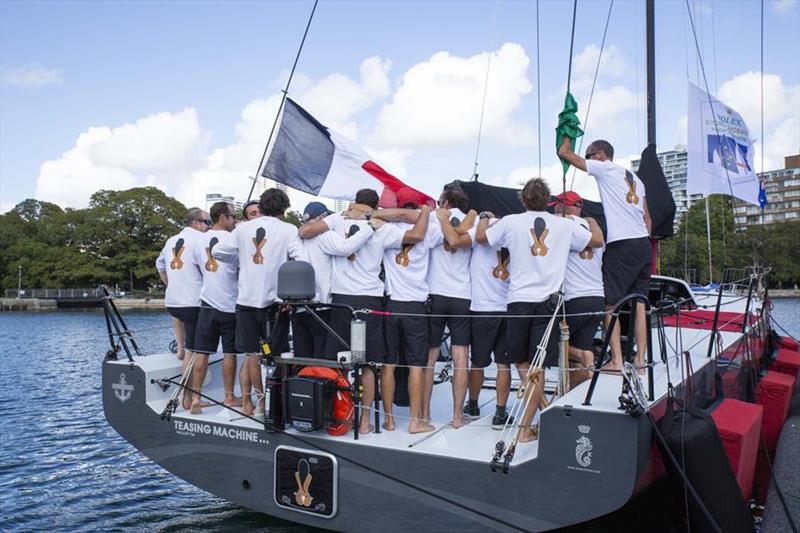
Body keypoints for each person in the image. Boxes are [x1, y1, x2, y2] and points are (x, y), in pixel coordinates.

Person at [477, 178, 599, 442]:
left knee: (523, 362)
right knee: (537, 366)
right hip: (549, 303)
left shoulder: (510, 222)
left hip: (518, 300)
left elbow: (481, 238)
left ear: (523, 200)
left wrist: (485, 217)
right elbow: (596, 241)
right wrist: (589, 221)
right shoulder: (565, 225)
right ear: (548, 200)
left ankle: (529, 423)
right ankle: (531, 422)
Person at [300, 188, 428, 434]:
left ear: (353, 202)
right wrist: (421, 210)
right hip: (369, 301)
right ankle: (364, 421)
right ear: (376, 204)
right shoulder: (381, 226)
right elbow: (418, 235)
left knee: (340, 363)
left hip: (341, 300)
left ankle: (340, 414)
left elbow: (305, 231)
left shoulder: (336, 220)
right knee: (367, 364)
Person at [558, 137, 652, 372]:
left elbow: (566, 155)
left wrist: (567, 136)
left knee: (610, 304)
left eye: (590, 156)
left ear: (600, 155)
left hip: (621, 243)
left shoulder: (606, 167)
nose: (589, 161)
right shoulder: (637, 180)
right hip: (642, 243)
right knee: (640, 303)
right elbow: (647, 218)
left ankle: (617, 361)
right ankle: (641, 360)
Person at [213, 189, 306, 418]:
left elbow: (217, 251)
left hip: (246, 301)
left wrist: (240, 258)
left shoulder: (242, 229)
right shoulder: (288, 229)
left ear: (261, 208)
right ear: (284, 210)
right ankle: (278, 402)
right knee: (278, 354)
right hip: (276, 303)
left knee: (253, 355)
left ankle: (260, 405)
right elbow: (301, 260)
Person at [372, 188, 434, 433]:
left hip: (392, 304)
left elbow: (375, 217)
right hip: (416, 306)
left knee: (389, 364)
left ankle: (389, 419)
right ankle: (415, 421)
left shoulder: (385, 230)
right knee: (416, 365)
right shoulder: (428, 228)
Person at [424, 185, 476, 429]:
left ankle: (424, 415)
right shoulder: (470, 223)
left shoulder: (436, 220)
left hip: (436, 293)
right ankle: (457, 417)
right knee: (461, 358)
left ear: (444, 202)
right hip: (462, 295)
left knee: (430, 357)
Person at [293, 201, 373, 358]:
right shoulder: (325, 235)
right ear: (323, 217)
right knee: (323, 360)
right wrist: (371, 227)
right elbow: (346, 248)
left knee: (302, 359)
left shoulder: (296, 237)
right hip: (322, 307)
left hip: (298, 307)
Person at [187, 201, 240, 414]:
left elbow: (197, 268)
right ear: (223, 218)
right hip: (230, 303)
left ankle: (196, 399)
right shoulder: (234, 238)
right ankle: (229, 396)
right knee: (230, 353)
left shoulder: (199, 241)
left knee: (202, 352)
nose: (235, 220)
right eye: (233, 216)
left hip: (207, 302)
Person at [460, 213, 512, 429]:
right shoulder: (512, 233)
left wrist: (482, 217)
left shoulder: (481, 231)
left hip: (482, 308)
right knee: (504, 364)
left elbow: (460, 240)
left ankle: (473, 405)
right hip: (507, 307)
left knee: (477, 362)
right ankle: (500, 414)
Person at [551, 191, 606, 387]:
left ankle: (585, 354)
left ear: (562, 206)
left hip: (575, 299)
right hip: (597, 298)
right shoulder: (593, 228)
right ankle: (565, 396)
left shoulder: (563, 226)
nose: (555, 208)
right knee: (575, 363)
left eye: (557, 204)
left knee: (548, 343)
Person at [156, 207, 210, 395]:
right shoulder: (201, 240)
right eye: (207, 222)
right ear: (195, 223)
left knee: (186, 340)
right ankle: (188, 396)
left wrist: (171, 284)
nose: (209, 226)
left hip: (173, 302)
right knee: (193, 352)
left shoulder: (171, 240)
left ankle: (180, 349)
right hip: (193, 303)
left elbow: (160, 264)